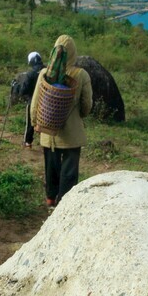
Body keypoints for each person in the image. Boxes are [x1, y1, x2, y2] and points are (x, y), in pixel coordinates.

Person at [29, 35, 93, 209]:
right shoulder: (81, 75)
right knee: (69, 171)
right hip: (72, 134)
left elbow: (35, 102)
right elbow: (87, 105)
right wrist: (80, 115)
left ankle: (51, 200)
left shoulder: (44, 74)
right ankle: (64, 205)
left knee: (51, 167)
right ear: (74, 52)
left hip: (48, 131)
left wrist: (36, 122)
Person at [20, 51, 44, 147]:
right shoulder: (47, 70)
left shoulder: (31, 73)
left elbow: (23, 90)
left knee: (30, 122)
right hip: (46, 102)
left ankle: (28, 142)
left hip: (33, 101)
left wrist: (16, 87)